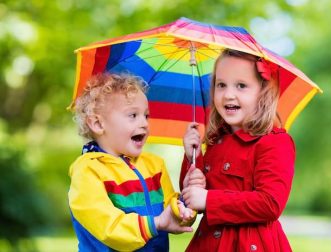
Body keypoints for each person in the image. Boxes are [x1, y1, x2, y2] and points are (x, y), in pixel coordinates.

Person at [68, 72, 202, 251]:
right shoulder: (88, 171)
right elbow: (109, 227)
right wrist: (156, 223)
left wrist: (184, 203)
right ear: (98, 124)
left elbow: (169, 213)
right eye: (133, 115)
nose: (145, 123)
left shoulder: (154, 165)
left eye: (146, 116)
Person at [180, 49, 296, 252]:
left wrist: (209, 199)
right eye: (221, 85)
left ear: (263, 91)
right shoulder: (216, 143)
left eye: (241, 85)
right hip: (208, 244)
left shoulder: (275, 142)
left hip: (250, 245)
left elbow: (270, 203)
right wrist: (192, 157)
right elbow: (193, 199)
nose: (228, 94)